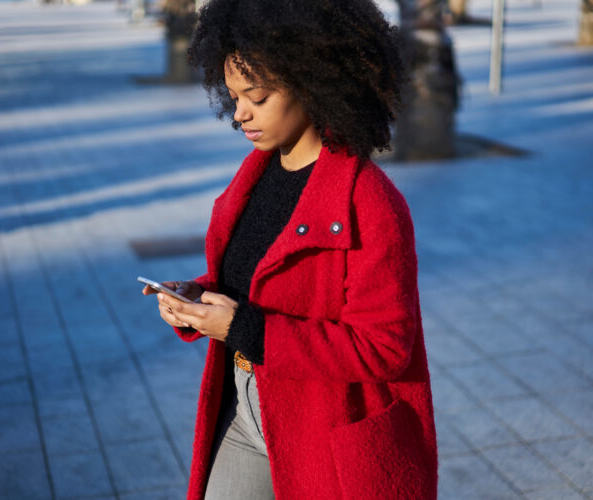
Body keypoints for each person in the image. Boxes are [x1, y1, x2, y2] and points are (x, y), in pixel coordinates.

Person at [141, 0, 438, 498]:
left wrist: (240, 328)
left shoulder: (371, 202)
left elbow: (384, 348)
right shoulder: (255, 174)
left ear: (310, 83)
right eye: (233, 95)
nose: (239, 114)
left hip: (323, 428)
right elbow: (260, 284)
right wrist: (198, 298)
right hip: (243, 409)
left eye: (255, 96)